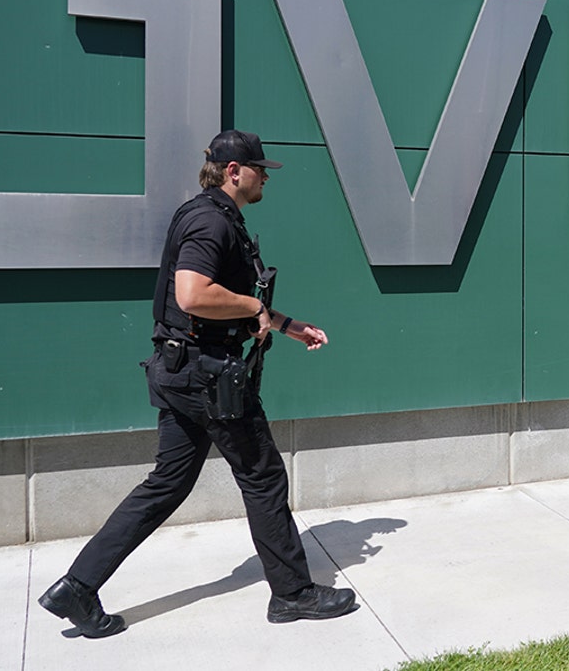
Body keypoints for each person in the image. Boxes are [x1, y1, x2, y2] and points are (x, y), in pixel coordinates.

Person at [38, 129, 355, 638]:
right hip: (207, 378)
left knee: (167, 483)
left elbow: (220, 301)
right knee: (263, 476)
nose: (265, 178)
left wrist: (286, 325)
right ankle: (293, 594)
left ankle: (77, 586)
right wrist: (252, 306)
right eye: (259, 170)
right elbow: (193, 294)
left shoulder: (208, 214)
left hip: (181, 371)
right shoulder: (211, 221)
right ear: (234, 171)